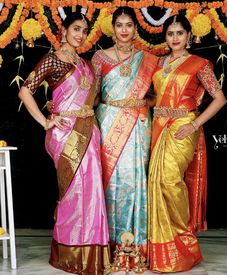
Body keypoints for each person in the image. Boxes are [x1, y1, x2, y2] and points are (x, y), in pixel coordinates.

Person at [18, 13, 110, 275]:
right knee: (73, 191)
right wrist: (46, 121)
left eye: (84, 30)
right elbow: (25, 91)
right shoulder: (53, 60)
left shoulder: (86, 64)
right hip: (64, 133)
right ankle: (70, 252)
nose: (80, 35)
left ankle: (91, 251)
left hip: (88, 132)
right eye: (76, 29)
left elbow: (88, 101)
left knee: (91, 191)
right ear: (63, 30)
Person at [148, 14, 227, 273]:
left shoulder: (199, 64)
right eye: (170, 33)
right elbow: (154, 98)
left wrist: (194, 124)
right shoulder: (159, 63)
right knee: (156, 182)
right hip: (159, 126)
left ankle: (184, 239)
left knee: (170, 180)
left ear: (189, 36)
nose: (174, 38)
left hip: (183, 127)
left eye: (179, 33)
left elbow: (219, 98)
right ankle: (164, 245)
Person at [91, 7, 158, 263]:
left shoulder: (148, 59)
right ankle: (108, 244)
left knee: (134, 178)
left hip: (138, 125)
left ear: (135, 28)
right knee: (110, 179)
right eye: (119, 25)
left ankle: (135, 245)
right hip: (108, 122)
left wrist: (144, 106)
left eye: (128, 25)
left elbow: (155, 94)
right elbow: (94, 95)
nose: (124, 30)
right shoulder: (100, 57)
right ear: (113, 28)